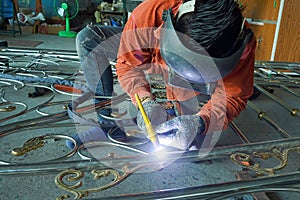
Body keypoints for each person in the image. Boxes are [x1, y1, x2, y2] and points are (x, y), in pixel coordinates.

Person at [66, 0, 256, 151]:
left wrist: (201, 122)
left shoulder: (239, 44)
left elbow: (233, 95)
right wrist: (145, 100)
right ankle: (106, 124)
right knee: (87, 39)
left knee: (193, 144)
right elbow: (128, 66)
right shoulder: (150, 14)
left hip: (193, 82)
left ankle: (178, 112)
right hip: (152, 43)